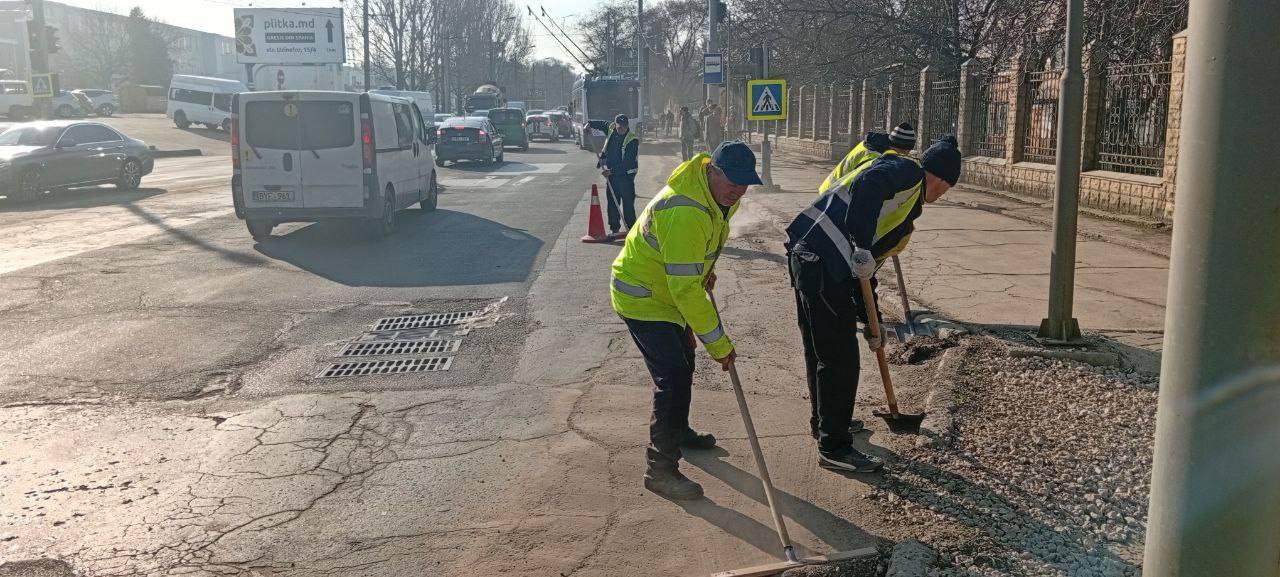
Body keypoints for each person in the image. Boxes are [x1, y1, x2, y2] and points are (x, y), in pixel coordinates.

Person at [784, 135, 962, 473]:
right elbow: (869, 184)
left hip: (814, 260)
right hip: (820, 261)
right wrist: (861, 244)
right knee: (839, 359)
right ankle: (834, 447)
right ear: (940, 179)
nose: (943, 195)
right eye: (947, 187)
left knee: (823, 351)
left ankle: (826, 424)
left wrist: (872, 322)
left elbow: (867, 274)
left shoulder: (906, 209)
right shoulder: (905, 171)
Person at [611, 141, 763, 500]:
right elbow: (685, 292)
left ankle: (678, 431)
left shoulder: (718, 197)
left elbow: (700, 249)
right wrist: (721, 345)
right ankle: (660, 470)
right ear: (712, 169)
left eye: (745, 183)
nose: (738, 190)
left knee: (684, 363)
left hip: (666, 294)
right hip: (643, 298)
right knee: (673, 377)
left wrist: (704, 270)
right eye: (732, 181)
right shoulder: (686, 209)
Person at [818, 122, 916, 196]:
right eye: (907, 151)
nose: (906, 154)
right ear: (901, 147)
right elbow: (862, 188)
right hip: (834, 194)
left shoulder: (873, 145)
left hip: (834, 188)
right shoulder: (874, 159)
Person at [596, 114, 641, 235]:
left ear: (627, 126)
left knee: (628, 205)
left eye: (624, 126)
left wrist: (611, 171)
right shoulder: (611, 130)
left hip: (626, 177)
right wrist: (588, 125)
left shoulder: (632, 140)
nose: (622, 129)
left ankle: (631, 230)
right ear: (615, 125)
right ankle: (614, 229)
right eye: (619, 126)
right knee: (612, 203)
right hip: (612, 177)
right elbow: (601, 123)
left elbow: (628, 163)